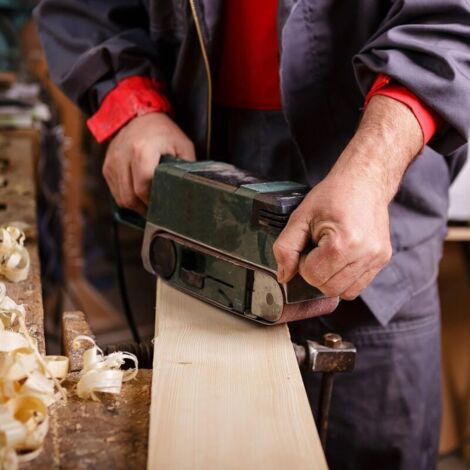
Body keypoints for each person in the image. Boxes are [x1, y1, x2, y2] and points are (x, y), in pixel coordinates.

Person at [35, 1, 470, 469]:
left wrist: (372, 169)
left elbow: (450, 21)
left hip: (375, 188)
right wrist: (133, 106)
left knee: (371, 440)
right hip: (199, 162)